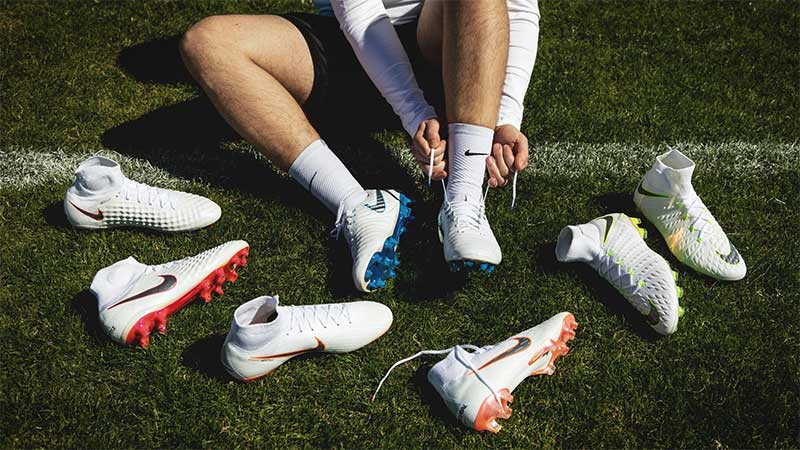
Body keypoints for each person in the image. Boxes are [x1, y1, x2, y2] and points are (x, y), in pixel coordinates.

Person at [179, 0, 540, 292]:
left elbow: (519, 7)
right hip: (353, 43)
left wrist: (504, 117)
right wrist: (414, 113)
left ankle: (463, 199)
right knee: (208, 43)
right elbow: (359, 11)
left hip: (448, 43)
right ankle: (358, 204)